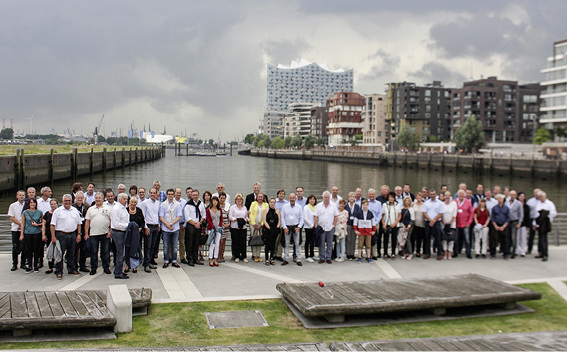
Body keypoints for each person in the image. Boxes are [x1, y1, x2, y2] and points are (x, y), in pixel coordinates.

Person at [50, 194, 82, 279]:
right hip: (61, 235)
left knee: (72, 253)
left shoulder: (75, 210)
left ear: (72, 201)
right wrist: (53, 236)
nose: (68, 202)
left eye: (69, 201)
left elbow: (79, 224)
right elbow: (52, 225)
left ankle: (72, 269)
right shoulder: (58, 211)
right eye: (66, 201)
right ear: (63, 201)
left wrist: (79, 234)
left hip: (72, 234)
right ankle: (58, 271)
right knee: (60, 254)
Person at [84, 192, 112, 275]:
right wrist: (86, 233)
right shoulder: (90, 209)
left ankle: (106, 267)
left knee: (105, 252)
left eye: (99, 198)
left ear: (103, 199)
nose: (97, 199)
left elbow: (112, 221)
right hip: (93, 234)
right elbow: (87, 222)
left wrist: (110, 231)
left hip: (105, 233)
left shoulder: (108, 208)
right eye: (96, 198)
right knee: (93, 252)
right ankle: (93, 268)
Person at [159, 189, 182, 268]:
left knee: (175, 245)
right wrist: (167, 225)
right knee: (166, 245)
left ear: (174, 195)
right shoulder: (163, 205)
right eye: (169, 194)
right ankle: (166, 261)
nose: (170, 195)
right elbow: (161, 217)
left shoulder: (178, 205)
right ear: (166, 195)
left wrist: (171, 224)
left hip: (175, 228)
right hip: (165, 228)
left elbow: (179, 216)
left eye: (172, 194)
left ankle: (174, 261)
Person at [314, 191, 339, 264]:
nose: (327, 198)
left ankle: (328, 257)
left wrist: (334, 225)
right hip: (321, 227)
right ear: (322, 198)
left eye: (328, 197)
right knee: (321, 243)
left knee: (329, 243)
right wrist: (316, 225)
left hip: (330, 227)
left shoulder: (333, 206)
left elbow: (336, 216)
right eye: (325, 197)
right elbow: (316, 216)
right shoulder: (318, 206)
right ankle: (322, 257)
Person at [184, 189, 206, 266]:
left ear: (198, 195)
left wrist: (199, 223)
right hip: (191, 225)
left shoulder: (201, 204)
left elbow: (204, 215)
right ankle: (189, 259)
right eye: (193, 195)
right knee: (189, 242)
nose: (195, 196)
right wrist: (195, 224)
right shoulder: (188, 205)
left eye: (196, 195)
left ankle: (195, 258)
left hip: (198, 224)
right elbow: (187, 217)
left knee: (196, 242)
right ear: (191, 196)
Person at [21, 198, 43, 273]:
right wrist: (21, 234)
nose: (32, 204)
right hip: (27, 233)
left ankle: (35, 266)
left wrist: (37, 224)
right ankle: (30, 265)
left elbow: (43, 223)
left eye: (34, 203)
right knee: (29, 249)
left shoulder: (40, 212)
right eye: (31, 203)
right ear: (29, 204)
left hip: (37, 233)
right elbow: (23, 224)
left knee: (36, 249)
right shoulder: (25, 212)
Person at [281, 193, 304, 266]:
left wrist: (299, 227)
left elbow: (302, 218)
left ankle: (298, 259)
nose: (292, 199)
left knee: (297, 244)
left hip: (296, 227)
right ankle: (286, 259)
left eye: (293, 198)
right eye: (291, 198)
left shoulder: (299, 207)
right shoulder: (284, 206)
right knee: (286, 244)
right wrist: (284, 227)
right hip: (287, 227)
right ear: (288, 198)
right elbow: (282, 218)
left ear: (295, 199)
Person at [534, 191, 557, 262]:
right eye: (539, 197)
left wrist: (546, 215)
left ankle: (545, 254)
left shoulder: (549, 204)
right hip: (539, 223)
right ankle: (540, 252)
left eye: (541, 197)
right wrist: (534, 224)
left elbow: (554, 213)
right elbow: (536, 215)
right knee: (540, 238)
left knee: (544, 239)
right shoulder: (538, 204)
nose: (540, 198)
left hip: (545, 223)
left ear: (544, 196)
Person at [141, 188, 160, 267]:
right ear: (149, 193)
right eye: (151, 193)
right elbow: (143, 216)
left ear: (156, 194)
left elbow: (158, 215)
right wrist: (145, 227)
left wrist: (159, 225)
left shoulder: (158, 203)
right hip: (148, 226)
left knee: (153, 245)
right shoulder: (145, 203)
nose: (152, 194)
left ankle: (151, 260)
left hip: (156, 226)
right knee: (147, 245)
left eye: (154, 193)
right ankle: (146, 263)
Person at [423, 189, 444, 260]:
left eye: (434, 194)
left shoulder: (440, 203)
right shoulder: (426, 203)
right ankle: (427, 253)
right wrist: (430, 220)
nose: (432, 195)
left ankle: (439, 254)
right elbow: (424, 213)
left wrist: (434, 221)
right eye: (431, 194)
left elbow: (441, 213)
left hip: (436, 222)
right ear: (429, 195)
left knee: (438, 238)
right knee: (427, 238)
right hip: (428, 222)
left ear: (436, 194)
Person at [126, 196, 145, 273]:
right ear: (129, 202)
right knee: (127, 248)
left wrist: (141, 228)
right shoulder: (126, 210)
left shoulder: (139, 210)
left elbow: (142, 221)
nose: (133, 203)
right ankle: (127, 265)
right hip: (129, 233)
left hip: (137, 233)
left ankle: (134, 266)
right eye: (132, 202)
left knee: (136, 249)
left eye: (135, 202)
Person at [353, 199, 376, 263]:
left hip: (368, 231)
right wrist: (355, 230)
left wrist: (374, 230)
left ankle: (368, 257)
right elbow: (355, 222)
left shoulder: (370, 213)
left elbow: (373, 222)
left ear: (368, 205)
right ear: (362, 205)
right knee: (360, 244)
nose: (365, 206)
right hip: (361, 231)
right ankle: (359, 257)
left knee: (368, 244)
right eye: (363, 205)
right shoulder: (359, 213)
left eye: (366, 205)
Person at [73, 191, 90, 273]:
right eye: (78, 198)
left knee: (84, 249)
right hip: (75, 230)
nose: (80, 199)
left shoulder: (86, 207)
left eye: (81, 198)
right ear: (75, 198)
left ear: (84, 198)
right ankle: (74, 266)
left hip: (84, 229)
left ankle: (82, 265)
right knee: (75, 249)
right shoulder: (73, 207)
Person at [454, 189, 474, 259]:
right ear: (458, 195)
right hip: (456, 224)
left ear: (464, 195)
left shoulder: (468, 202)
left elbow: (472, 213)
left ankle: (468, 253)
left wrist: (469, 222)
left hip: (465, 224)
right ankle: (456, 252)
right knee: (456, 239)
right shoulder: (454, 202)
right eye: (460, 194)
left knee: (467, 239)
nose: (461, 195)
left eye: (462, 194)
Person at [8, 190, 25, 271]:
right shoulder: (13, 205)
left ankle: (23, 263)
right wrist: (20, 224)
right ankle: (14, 264)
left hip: (25, 230)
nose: (21, 196)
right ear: (17, 196)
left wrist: (23, 225)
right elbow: (11, 217)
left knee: (24, 247)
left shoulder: (27, 205)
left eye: (23, 195)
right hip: (15, 229)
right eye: (20, 195)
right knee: (15, 246)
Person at [229, 194, 249, 263]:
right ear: (235, 200)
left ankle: (244, 256)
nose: (239, 201)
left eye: (240, 199)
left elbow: (247, 216)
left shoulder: (244, 208)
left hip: (243, 227)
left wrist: (246, 220)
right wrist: (237, 219)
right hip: (235, 227)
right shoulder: (232, 207)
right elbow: (230, 217)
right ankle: (237, 256)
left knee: (243, 242)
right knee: (236, 242)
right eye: (237, 199)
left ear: (242, 200)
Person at [249, 193, 269, 262]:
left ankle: (259, 255)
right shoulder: (253, 203)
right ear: (257, 198)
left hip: (261, 224)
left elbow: (266, 214)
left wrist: (262, 224)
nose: (260, 198)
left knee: (260, 239)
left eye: (261, 197)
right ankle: (254, 255)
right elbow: (250, 213)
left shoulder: (266, 205)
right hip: (253, 224)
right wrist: (254, 223)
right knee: (254, 239)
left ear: (263, 198)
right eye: (259, 197)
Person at [381, 192, 401, 259]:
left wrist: (395, 223)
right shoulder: (385, 205)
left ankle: (393, 253)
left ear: (394, 198)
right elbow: (382, 215)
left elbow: (399, 215)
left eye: (392, 197)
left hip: (394, 225)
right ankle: (385, 253)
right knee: (386, 239)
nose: (391, 199)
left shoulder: (397, 205)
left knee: (394, 239)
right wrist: (383, 224)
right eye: (389, 197)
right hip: (387, 224)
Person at [42, 199, 58, 274]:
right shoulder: (47, 214)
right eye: (52, 204)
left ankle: (57, 266)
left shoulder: (59, 213)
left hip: (57, 233)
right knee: (50, 250)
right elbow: (44, 225)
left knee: (57, 250)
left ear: (57, 204)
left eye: (54, 204)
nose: (53, 205)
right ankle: (50, 267)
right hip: (48, 233)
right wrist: (43, 234)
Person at [491, 194, 510, 259]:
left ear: (503, 200)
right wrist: (495, 226)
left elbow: (508, 218)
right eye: (498, 199)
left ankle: (505, 254)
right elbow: (492, 218)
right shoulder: (494, 208)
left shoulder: (506, 208)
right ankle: (493, 254)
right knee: (494, 240)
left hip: (504, 226)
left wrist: (504, 226)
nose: (499, 200)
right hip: (496, 225)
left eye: (500, 199)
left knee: (505, 241)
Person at [206, 196, 223, 267]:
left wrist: (219, 227)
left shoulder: (220, 209)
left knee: (217, 244)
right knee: (212, 244)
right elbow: (208, 220)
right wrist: (213, 227)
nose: (215, 202)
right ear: (211, 202)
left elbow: (221, 219)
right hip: (211, 229)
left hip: (218, 230)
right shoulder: (208, 210)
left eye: (216, 201)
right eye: (214, 201)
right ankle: (210, 259)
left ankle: (215, 259)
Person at [263, 197, 280, 265]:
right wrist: (268, 227)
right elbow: (264, 220)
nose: (272, 203)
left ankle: (271, 258)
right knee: (267, 244)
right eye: (271, 202)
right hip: (268, 229)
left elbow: (279, 220)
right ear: (269, 203)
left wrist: (277, 227)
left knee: (273, 244)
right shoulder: (266, 210)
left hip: (275, 229)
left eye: (274, 202)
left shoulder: (277, 211)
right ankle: (267, 259)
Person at [506, 190, 523, 259]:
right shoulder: (506, 202)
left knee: (514, 238)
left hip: (515, 221)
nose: (512, 196)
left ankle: (513, 252)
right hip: (507, 221)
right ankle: (508, 251)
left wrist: (520, 222)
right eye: (511, 194)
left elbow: (521, 214)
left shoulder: (518, 203)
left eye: (514, 195)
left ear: (516, 196)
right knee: (508, 237)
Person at [344, 192, 361, 260]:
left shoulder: (357, 206)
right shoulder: (346, 206)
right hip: (348, 224)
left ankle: (352, 253)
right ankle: (348, 253)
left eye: (353, 197)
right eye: (351, 197)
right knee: (348, 239)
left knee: (353, 239)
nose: (352, 198)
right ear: (348, 198)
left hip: (354, 225)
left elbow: (359, 215)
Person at [367, 189, 383, 259]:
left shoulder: (378, 203)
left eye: (372, 194)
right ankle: (368, 254)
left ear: (375, 195)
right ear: (368, 195)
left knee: (375, 238)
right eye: (370, 194)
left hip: (375, 223)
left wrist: (376, 222)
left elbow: (380, 213)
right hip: (367, 223)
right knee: (367, 239)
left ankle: (374, 254)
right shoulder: (366, 202)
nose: (371, 195)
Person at [441, 191, 457, 260]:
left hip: (452, 223)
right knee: (444, 239)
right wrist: (444, 222)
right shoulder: (442, 204)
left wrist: (451, 222)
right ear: (444, 197)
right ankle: (445, 253)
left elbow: (454, 214)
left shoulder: (454, 204)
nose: (447, 197)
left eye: (448, 196)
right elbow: (441, 214)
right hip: (444, 223)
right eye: (446, 196)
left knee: (451, 240)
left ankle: (450, 253)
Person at [174, 188, 188, 264]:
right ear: (174, 193)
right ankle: (172, 257)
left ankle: (182, 257)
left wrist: (185, 224)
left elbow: (186, 214)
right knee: (172, 242)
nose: (178, 194)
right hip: (173, 225)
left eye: (180, 193)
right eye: (177, 193)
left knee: (182, 242)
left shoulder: (184, 202)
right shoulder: (171, 201)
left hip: (181, 224)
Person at [273, 190, 288, 261]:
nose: (281, 195)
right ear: (277, 195)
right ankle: (273, 254)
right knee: (274, 240)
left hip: (283, 224)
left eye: (283, 194)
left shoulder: (286, 203)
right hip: (274, 224)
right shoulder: (274, 202)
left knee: (280, 240)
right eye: (280, 194)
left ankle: (279, 255)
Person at [526, 188, 541, 255]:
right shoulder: (530, 201)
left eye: (537, 193)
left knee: (540, 236)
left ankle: (540, 250)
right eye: (535, 193)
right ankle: (529, 249)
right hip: (532, 219)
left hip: (540, 220)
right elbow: (527, 211)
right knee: (531, 235)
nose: (536, 194)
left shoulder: (542, 201)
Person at [302, 195, 317, 263]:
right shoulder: (306, 207)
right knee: (308, 241)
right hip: (308, 227)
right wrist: (311, 225)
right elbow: (305, 218)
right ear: (308, 200)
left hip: (314, 227)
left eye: (313, 199)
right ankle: (307, 255)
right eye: (311, 199)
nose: (312, 200)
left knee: (312, 241)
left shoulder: (315, 207)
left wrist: (315, 225)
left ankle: (312, 254)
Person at [411, 192, 426, 258]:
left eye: (419, 197)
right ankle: (412, 250)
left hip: (422, 223)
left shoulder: (424, 205)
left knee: (419, 238)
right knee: (413, 237)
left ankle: (418, 251)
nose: (418, 198)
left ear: (422, 197)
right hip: (414, 223)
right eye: (417, 197)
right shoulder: (413, 204)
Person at [218, 192, 231, 262]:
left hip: (226, 226)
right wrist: (222, 224)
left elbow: (230, 215)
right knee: (221, 241)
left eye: (223, 198)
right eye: (221, 198)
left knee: (224, 241)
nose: (222, 199)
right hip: (220, 226)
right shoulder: (217, 206)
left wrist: (229, 223)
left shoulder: (228, 206)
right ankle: (218, 255)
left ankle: (222, 255)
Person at [517, 192, 530, 257]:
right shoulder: (516, 204)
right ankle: (516, 250)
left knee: (523, 238)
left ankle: (523, 251)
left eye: (523, 196)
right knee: (517, 238)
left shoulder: (526, 206)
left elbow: (528, 216)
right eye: (520, 196)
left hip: (524, 224)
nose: (522, 197)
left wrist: (528, 225)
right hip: (517, 224)